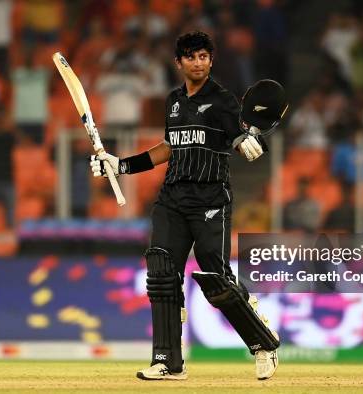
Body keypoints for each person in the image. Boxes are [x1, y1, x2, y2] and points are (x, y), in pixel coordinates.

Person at [90, 32, 283, 381]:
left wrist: (248, 142)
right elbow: (168, 148)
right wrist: (121, 166)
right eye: (191, 57)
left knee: (217, 281)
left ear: (211, 61)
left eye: (204, 57)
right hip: (172, 200)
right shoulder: (173, 101)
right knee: (162, 274)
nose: (198, 63)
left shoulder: (223, 100)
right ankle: (167, 361)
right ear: (178, 63)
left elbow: (236, 134)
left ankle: (263, 344)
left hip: (210, 201)